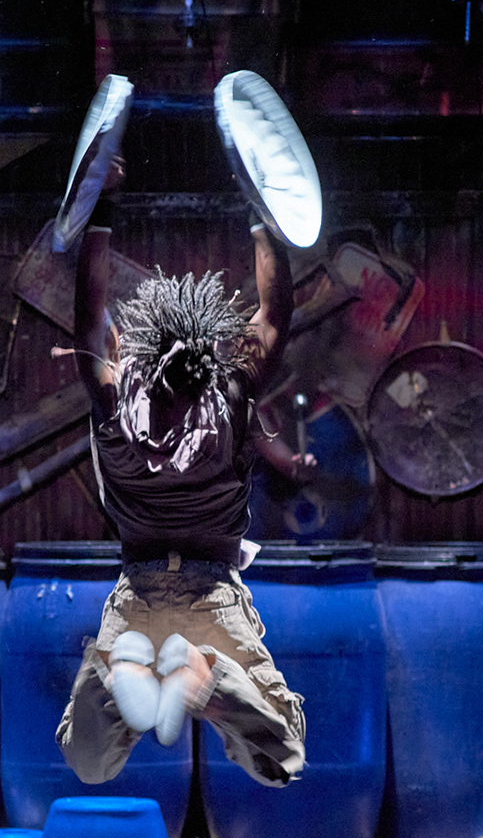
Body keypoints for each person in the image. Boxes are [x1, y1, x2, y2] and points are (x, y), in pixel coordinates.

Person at [54, 79, 320, 790]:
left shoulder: (117, 402)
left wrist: (101, 206)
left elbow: (87, 319)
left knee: (88, 761)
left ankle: (123, 674)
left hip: (138, 592)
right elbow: (275, 315)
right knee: (283, 755)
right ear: (211, 353)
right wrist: (260, 207)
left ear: (140, 354)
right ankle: (205, 676)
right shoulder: (230, 396)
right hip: (213, 597)